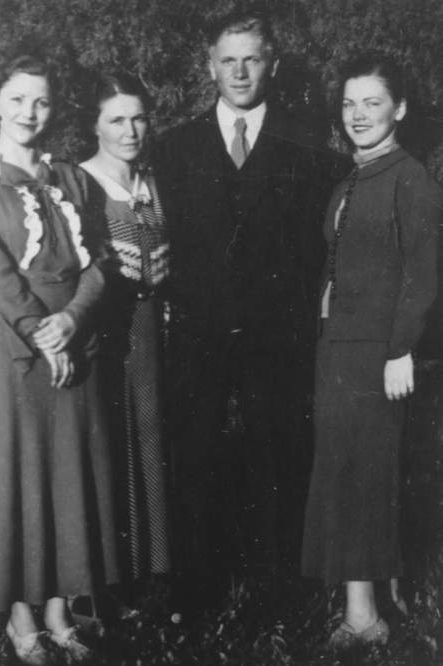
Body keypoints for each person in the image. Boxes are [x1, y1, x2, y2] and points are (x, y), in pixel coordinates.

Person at [156, 7, 336, 598]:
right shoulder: (174, 148)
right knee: (196, 450)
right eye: (228, 60)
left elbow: (316, 248)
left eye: (251, 59)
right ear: (210, 66)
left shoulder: (306, 143)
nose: (239, 72)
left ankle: (280, 582)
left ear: (272, 65)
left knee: (279, 449)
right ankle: (198, 585)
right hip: (199, 332)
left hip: (277, 333)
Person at [0, 54, 118, 665]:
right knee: (15, 475)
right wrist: (41, 334)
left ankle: (60, 610)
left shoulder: (73, 179)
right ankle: (20, 614)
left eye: (41, 101)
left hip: (73, 340)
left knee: (68, 473)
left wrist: (72, 321)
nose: (29, 112)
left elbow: (101, 260)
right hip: (11, 350)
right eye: (17, 99)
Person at [301, 54, 442, 648]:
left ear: (400, 109)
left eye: (372, 103)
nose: (357, 115)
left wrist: (400, 349)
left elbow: (424, 274)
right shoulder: (350, 179)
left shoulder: (412, 179)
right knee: (344, 473)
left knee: (369, 476)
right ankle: (368, 604)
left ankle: (367, 617)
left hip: (378, 354)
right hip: (338, 349)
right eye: (349, 103)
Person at [79, 72, 170, 593]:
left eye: (138, 118)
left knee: (152, 436)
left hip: (151, 331)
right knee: (110, 439)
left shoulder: (153, 182)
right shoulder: (81, 183)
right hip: (105, 333)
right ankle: (112, 579)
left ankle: (155, 571)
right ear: (95, 125)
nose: (130, 131)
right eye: (116, 120)